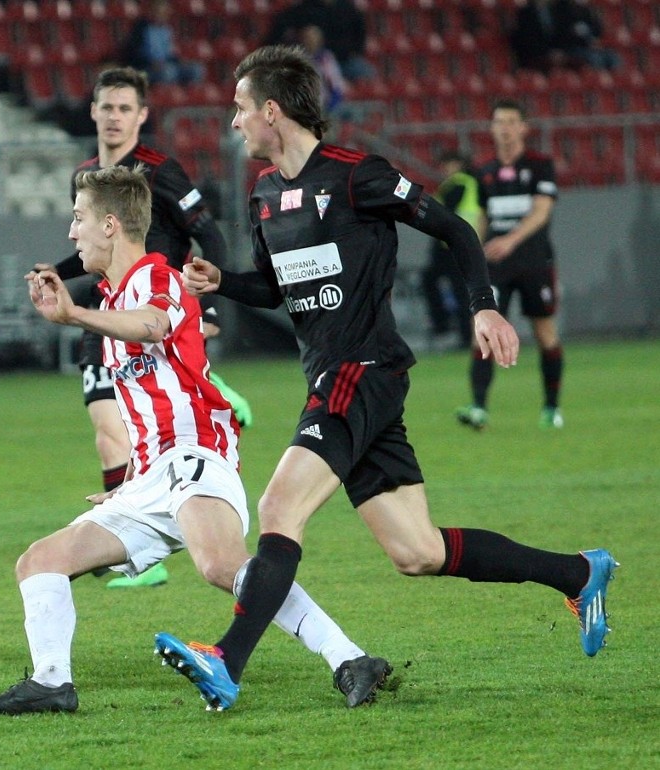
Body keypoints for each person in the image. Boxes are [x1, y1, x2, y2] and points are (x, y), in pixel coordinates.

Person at [154, 45, 618, 711]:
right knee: (417, 551)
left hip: (360, 370)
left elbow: (455, 228)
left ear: (273, 112)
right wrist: (222, 281)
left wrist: (485, 306)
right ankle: (578, 572)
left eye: (239, 109)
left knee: (280, 507)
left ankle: (226, 660)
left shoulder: (355, 176)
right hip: (338, 375)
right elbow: (275, 289)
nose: (233, 123)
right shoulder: (263, 195)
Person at [0, 165, 392, 716]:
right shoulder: (115, 293)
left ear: (110, 225)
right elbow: (149, 397)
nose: (71, 233)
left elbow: (153, 326)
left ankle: (350, 658)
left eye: (78, 219)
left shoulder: (158, 278)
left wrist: (73, 314)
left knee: (221, 565)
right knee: (39, 561)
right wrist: (127, 482)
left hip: (195, 453)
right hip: (150, 475)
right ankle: (53, 682)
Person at [42, 66, 252, 588]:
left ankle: (205, 390)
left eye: (123, 108)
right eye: (105, 107)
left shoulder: (160, 171)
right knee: (106, 431)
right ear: (92, 112)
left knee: (117, 426)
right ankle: (135, 534)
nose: (113, 117)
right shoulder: (87, 175)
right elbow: (84, 250)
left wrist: (209, 308)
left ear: (141, 116)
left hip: (155, 311)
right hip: (110, 309)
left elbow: (209, 235)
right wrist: (52, 272)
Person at [456, 99, 564, 430]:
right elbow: (483, 217)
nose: (504, 128)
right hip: (496, 265)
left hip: (533, 261)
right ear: (491, 128)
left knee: (544, 331)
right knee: (484, 334)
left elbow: (542, 211)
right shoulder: (483, 171)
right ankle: (478, 408)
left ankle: (551, 409)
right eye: (498, 122)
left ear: (523, 128)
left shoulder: (540, 165)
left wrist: (511, 240)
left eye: (510, 122)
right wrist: (473, 250)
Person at [421, 151, 480, 349]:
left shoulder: (459, 183)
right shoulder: (457, 184)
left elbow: (440, 212)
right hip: (450, 244)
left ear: (459, 165)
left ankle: (448, 326)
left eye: (449, 164)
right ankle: (457, 331)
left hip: (453, 246)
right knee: (450, 287)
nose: (445, 169)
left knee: (451, 287)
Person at [263, 0, 374, 83]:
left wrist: (353, 52)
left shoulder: (347, 8)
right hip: (313, 61)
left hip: (344, 61)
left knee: (366, 73)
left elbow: (360, 35)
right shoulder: (304, 9)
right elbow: (273, 39)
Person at [121, 0, 205, 86]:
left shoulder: (166, 30)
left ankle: (188, 97)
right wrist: (150, 63)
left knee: (196, 69)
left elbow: (169, 54)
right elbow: (132, 54)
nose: (164, 14)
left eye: (166, 11)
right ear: (152, 12)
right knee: (169, 72)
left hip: (165, 65)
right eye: (161, 11)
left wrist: (180, 61)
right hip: (146, 68)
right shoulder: (140, 28)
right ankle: (165, 97)